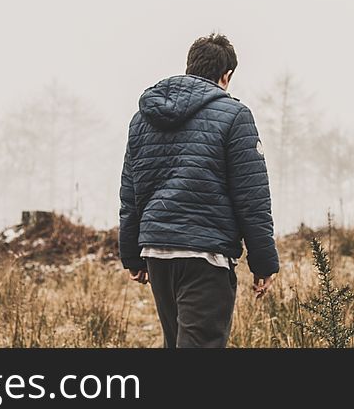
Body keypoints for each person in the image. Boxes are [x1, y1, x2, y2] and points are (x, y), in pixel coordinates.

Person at [119, 32, 280, 348]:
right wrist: (264, 263)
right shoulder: (235, 116)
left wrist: (132, 256)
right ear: (227, 75)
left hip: (157, 251)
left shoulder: (142, 119)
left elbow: (130, 193)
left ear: (190, 67)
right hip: (205, 254)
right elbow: (252, 197)